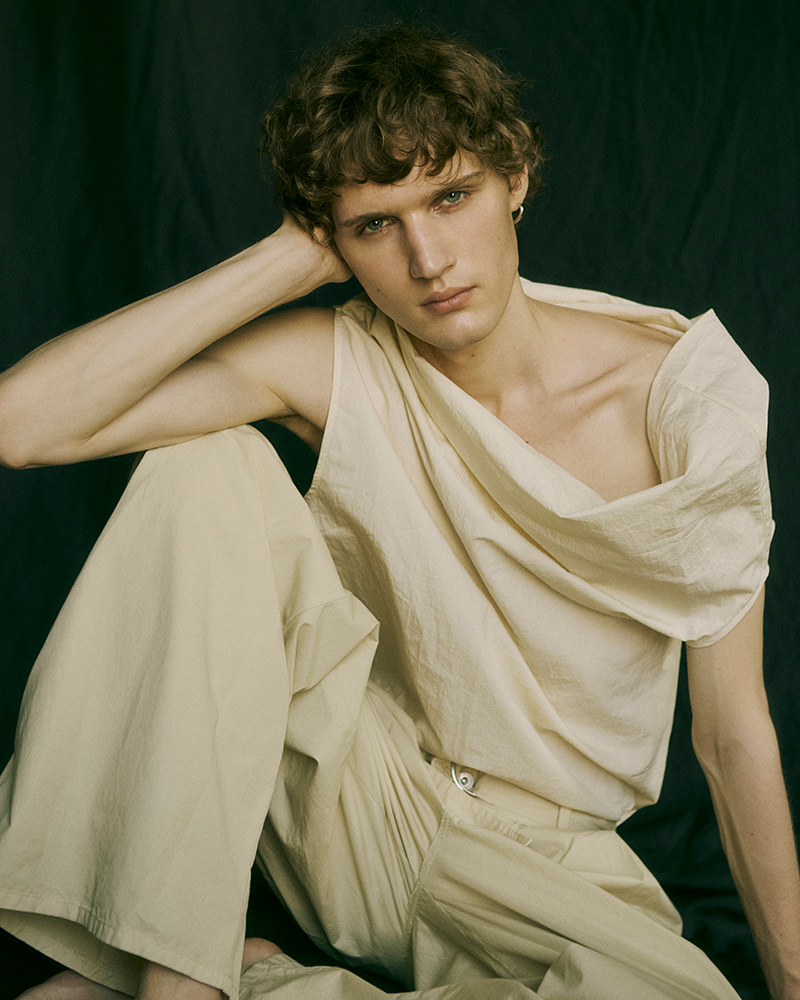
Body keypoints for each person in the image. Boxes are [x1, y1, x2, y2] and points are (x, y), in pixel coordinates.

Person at [0, 22, 797, 1000]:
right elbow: (22, 423)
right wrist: (288, 260)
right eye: (376, 225)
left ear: (515, 176)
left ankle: (256, 978)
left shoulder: (685, 403)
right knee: (207, 464)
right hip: (351, 800)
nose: (428, 259)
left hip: (546, 864)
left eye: (450, 197)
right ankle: (179, 978)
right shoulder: (340, 359)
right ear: (335, 241)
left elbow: (730, 736)